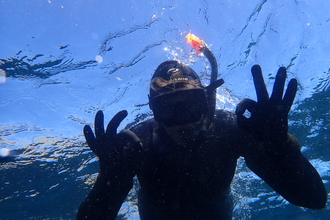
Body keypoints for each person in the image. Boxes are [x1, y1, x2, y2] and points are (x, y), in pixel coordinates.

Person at [77, 59, 327, 220]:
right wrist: (111, 178)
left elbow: (313, 199)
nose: (183, 120)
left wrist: (279, 148)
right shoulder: (138, 146)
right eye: (168, 109)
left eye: (191, 105)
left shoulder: (231, 130)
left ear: (207, 102)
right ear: (154, 112)